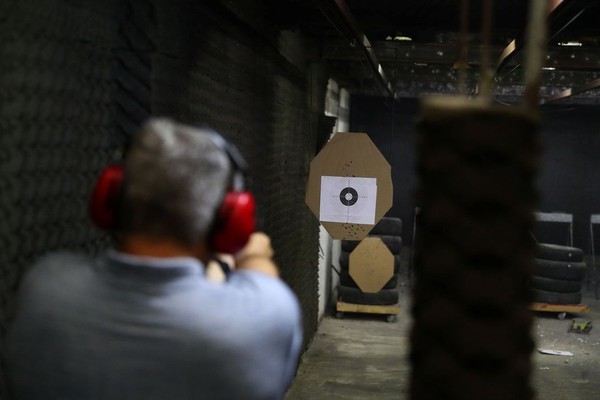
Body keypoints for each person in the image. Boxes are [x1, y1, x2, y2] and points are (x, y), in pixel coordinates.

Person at [6, 118, 303, 400]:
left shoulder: (45, 286)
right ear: (232, 219)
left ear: (109, 198)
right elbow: (260, 280)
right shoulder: (267, 313)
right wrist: (250, 252)